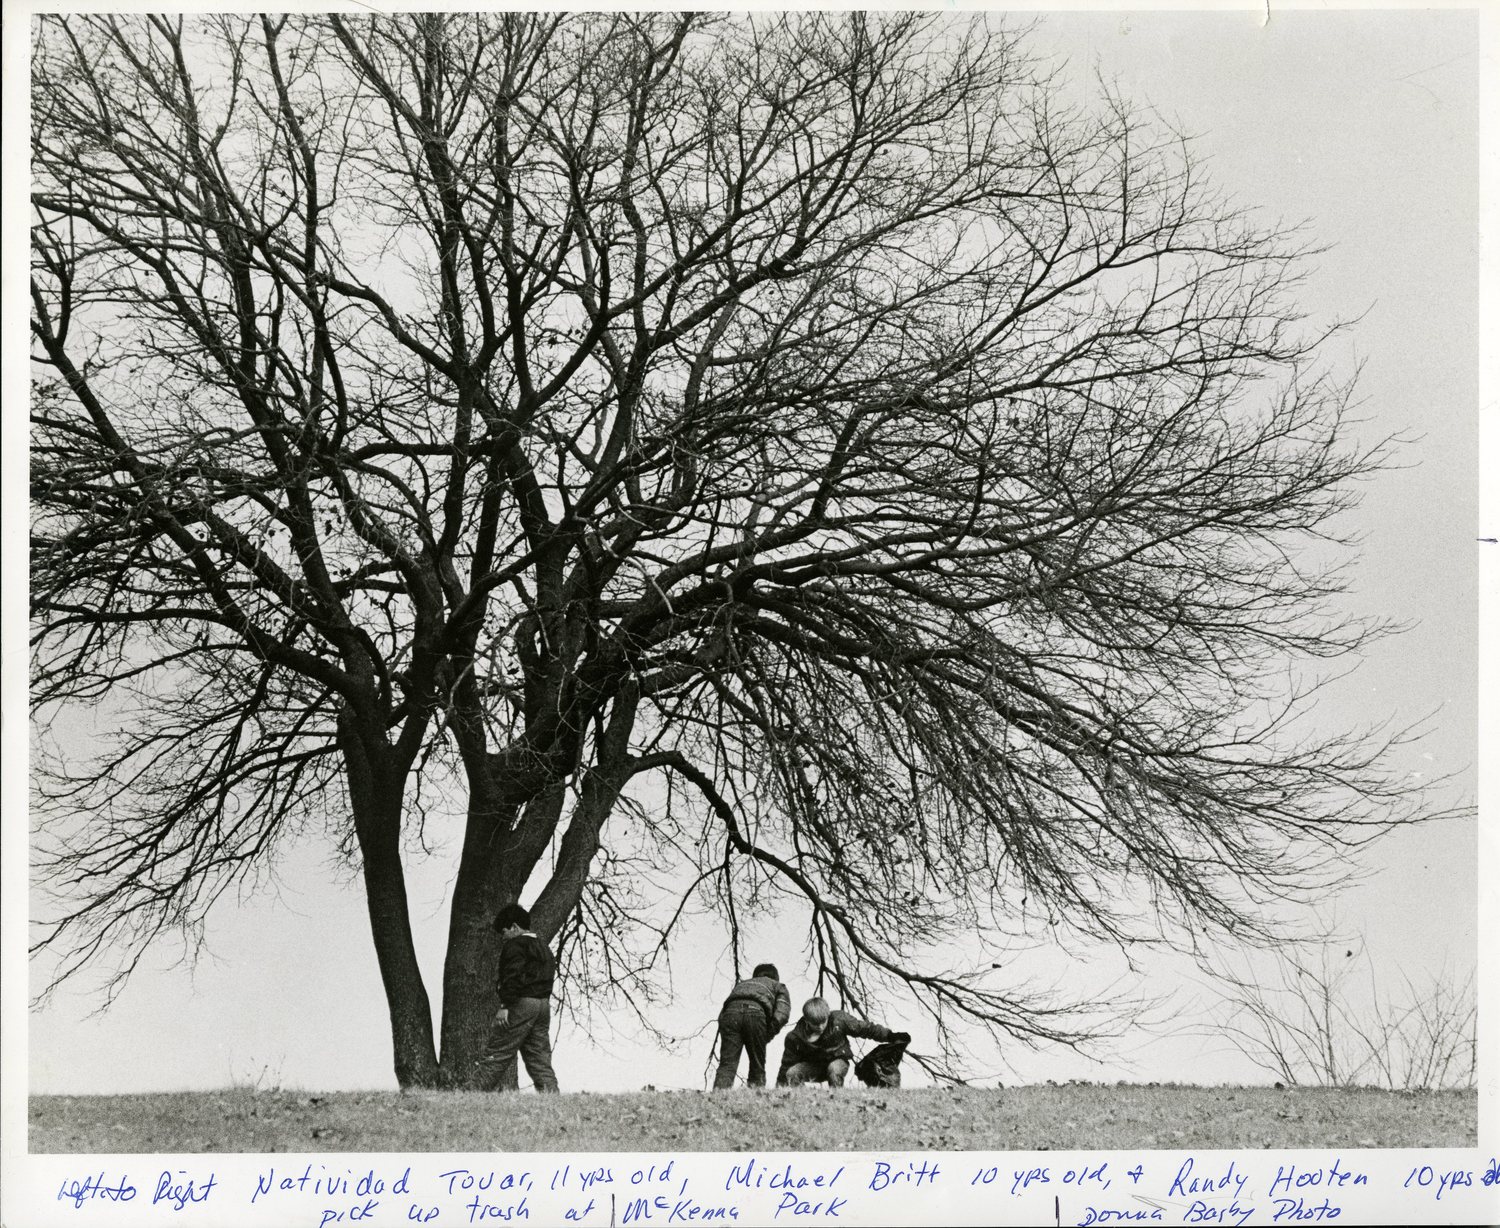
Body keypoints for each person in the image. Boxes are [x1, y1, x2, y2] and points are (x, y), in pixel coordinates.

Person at [475, 903, 559, 1093]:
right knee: (539, 1059)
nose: (503, 937)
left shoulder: (515, 945)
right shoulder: (543, 946)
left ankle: (470, 1097)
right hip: (543, 1006)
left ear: (514, 927)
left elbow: (513, 977)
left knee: (497, 1053)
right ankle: (553, 1100)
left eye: (504, 932)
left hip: (521, 1004)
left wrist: (505, 1005)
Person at [777, 996, 909, 1088]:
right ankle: (801, 1102)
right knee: (792, 1073)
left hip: (838, 1061)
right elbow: (786, 1065)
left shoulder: (839, 1020)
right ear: (806, 1021)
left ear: (828, 1015)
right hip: (815, 1067)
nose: (820, 1027)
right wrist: (779, 1090)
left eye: (823, 1022)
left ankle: (836, 1101)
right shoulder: (795, 1037)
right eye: (815, 1024)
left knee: (834, 1069)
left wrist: (890, 1035)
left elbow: (866, 1029)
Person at [713, 963, 792, 1090]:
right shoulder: (778, 986)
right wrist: (767, 1034)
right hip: (756, 1013)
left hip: (730, 1015)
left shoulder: (741, 985)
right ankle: (755, 1098)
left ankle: (718, 1098)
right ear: (776, 977)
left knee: (727, 1064)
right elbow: (782, 1014)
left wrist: (725, 1031)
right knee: (757, 1064)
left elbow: (723, 1013)